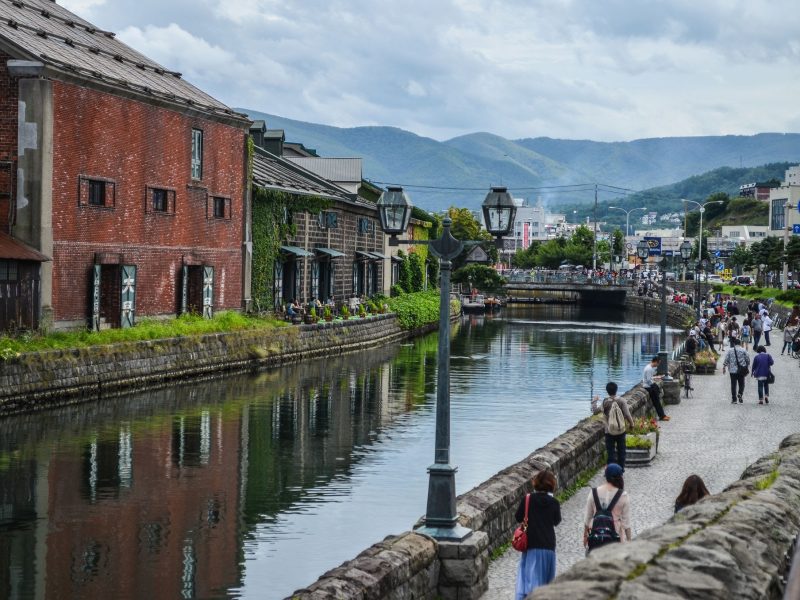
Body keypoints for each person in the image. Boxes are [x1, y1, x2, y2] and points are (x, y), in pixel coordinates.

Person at [514, 470, 561, 599]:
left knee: (529, 581)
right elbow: (556, 521)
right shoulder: (554, 502)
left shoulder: (528, 499)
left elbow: (518, 517)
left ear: (536, 483)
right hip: (548, 546)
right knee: (546, 583)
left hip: (532, 545)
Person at [583, 463, 632, 552]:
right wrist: (629, 542)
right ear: (620, 477)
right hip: (615, 542)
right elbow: (626, 524)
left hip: (596, 540)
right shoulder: (623, 496)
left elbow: (587, 519)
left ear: (606, 477)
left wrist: (585, 537)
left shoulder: (593, 493)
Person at [591, 382, 635, 470]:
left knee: (610, 452)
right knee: (621, 451)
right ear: (616, 390)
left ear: (607, 391)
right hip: (621, 430)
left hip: (609, 431)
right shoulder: (622, 400)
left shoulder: (605, 402)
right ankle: (621, 470)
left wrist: (594, 401)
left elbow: (595, 412)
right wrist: (631, 424)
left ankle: (611, 472)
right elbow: (627, 414)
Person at [722, 338, 750, 404]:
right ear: (740, 343)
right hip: (741, 370)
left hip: (732, 370)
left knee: (733, 384)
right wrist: (747, 365)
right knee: (742, 383)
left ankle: (734, 399)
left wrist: (724, 367)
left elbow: (727, 359)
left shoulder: (730, 350)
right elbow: (747, 359)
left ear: (734, 344)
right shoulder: (743, 350)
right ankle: (740, 393)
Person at [642, 355, 670, 421]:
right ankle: (662, 416)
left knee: (657, 401)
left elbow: (649, 378)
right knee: (657, 401)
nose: (658, 365)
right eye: (658, 363)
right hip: (648, 387)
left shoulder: (649, 367)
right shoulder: (649, 369)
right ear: (655, 362)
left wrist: (657, 377)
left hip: (648, 385)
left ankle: (662, 415)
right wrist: (654, 386)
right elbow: (648, 380)